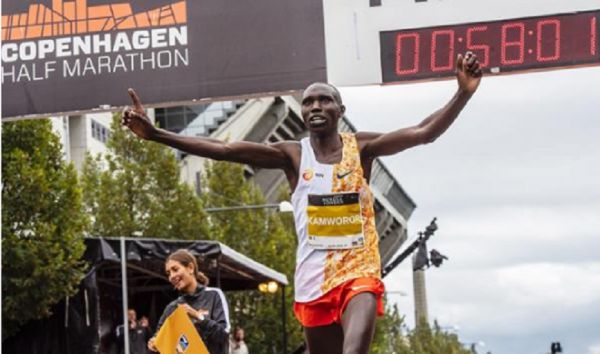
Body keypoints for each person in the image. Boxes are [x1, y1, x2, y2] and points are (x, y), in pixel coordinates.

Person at [124, 52, 482, 354]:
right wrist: (156, 134)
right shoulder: (293, 156)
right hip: (314, 280)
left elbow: (423, 132)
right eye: (308, 101)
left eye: (324, 99)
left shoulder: (362, 148)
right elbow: (225, 150)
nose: (315, 105)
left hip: (359, 270)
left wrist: (462, 94)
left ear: (340, 109)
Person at [147, 249, 230, 354]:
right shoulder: (172, 308)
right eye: (168, 273)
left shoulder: (214, 295)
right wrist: (154, 344)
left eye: (175, 269)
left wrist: (197, 316)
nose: (171, 276)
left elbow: (223, 335)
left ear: (190, 268)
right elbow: (161, 343)